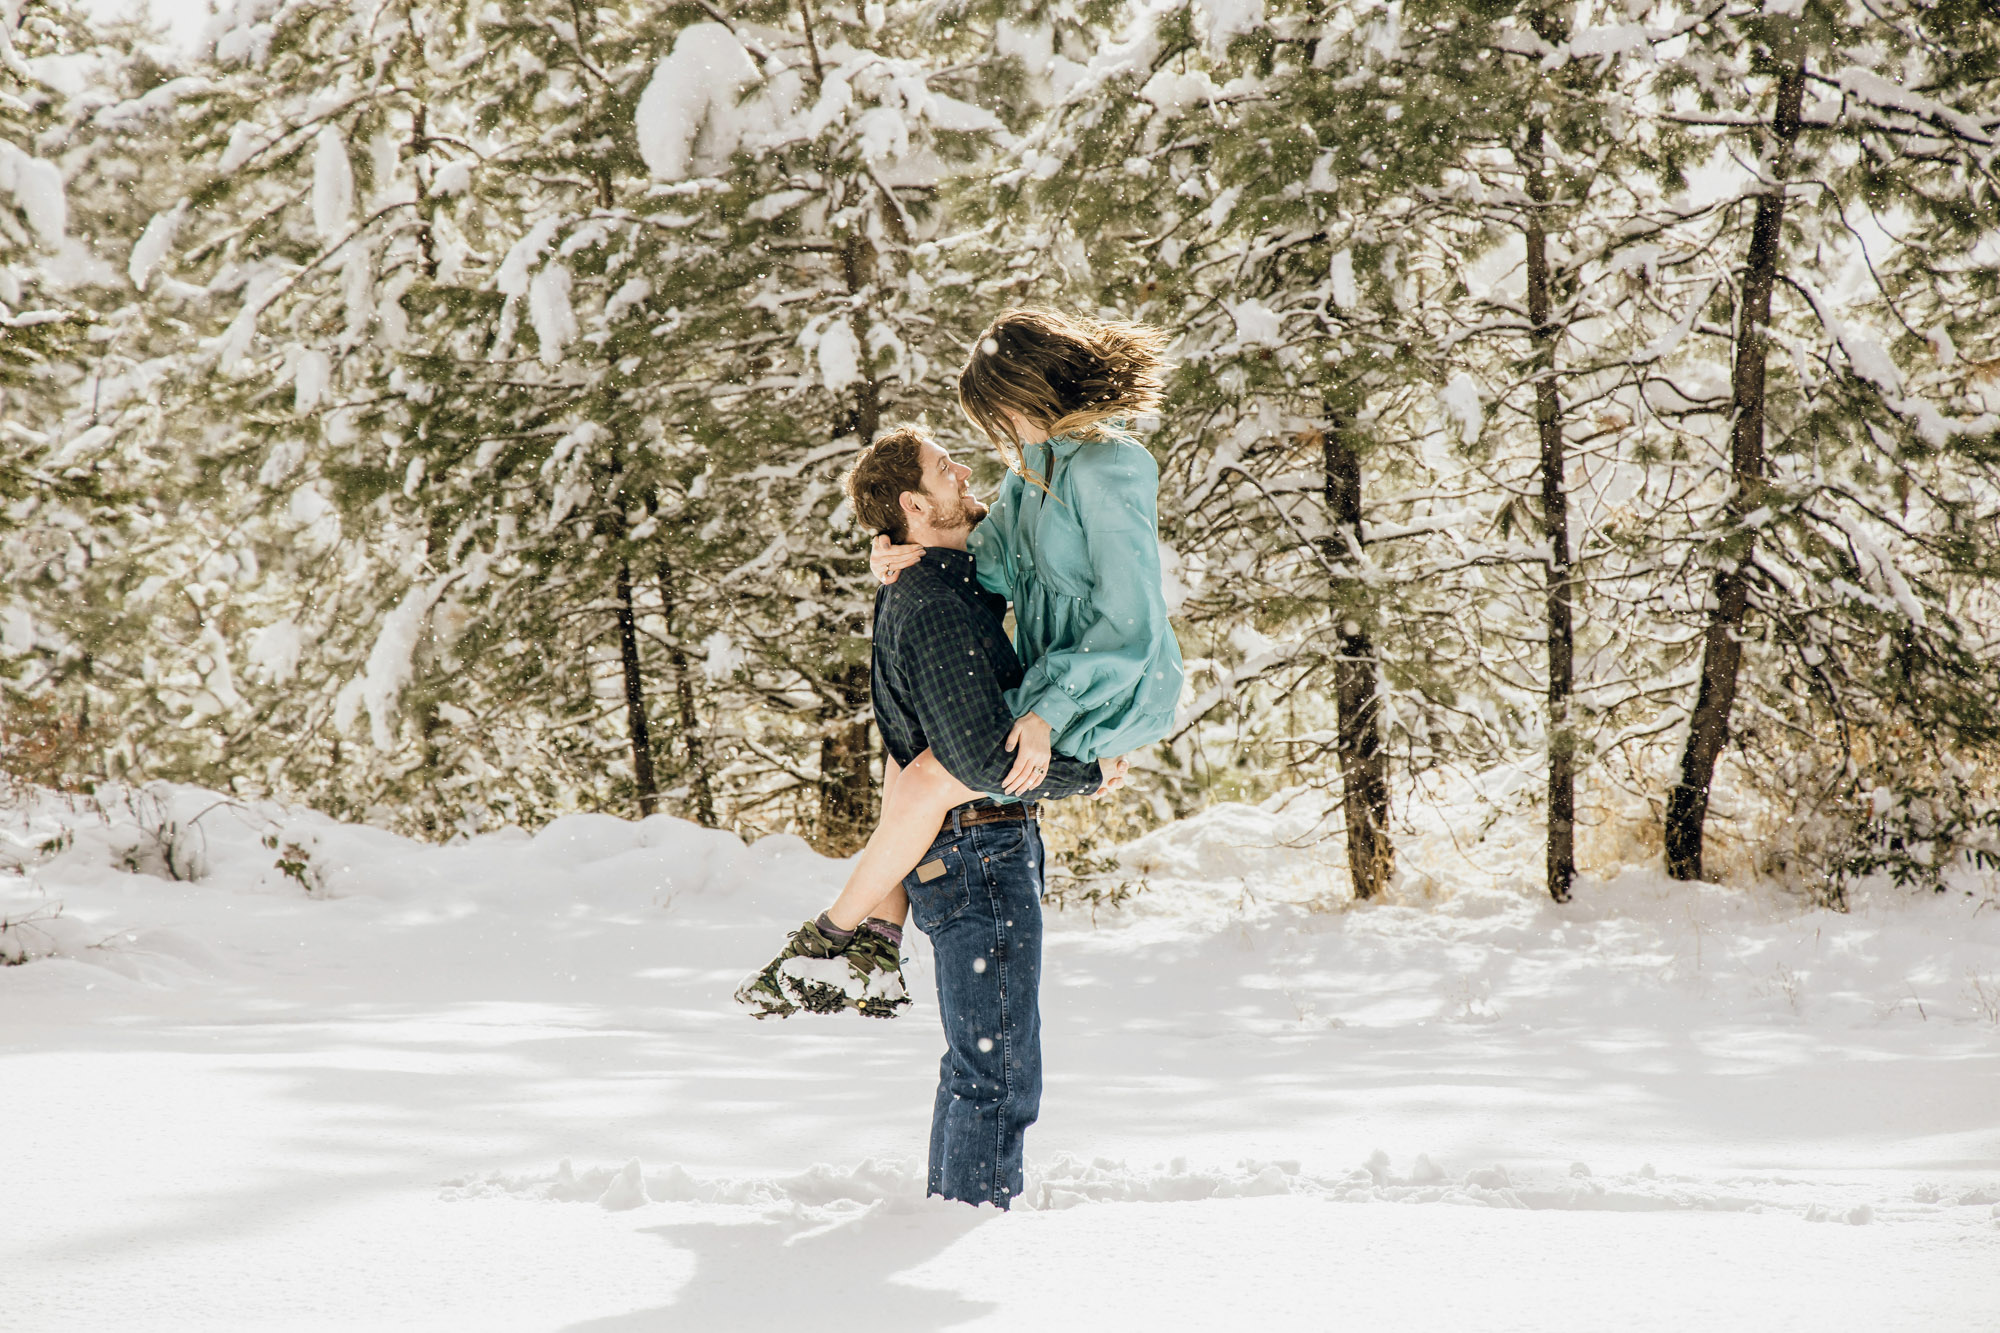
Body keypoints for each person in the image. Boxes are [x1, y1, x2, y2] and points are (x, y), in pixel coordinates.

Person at [737, 309, 1186, 1021]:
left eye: (998, 412)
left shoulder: (1110, 467)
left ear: (1029, 392)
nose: (996, 432)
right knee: (907, 751)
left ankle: (832, 935)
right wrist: (900, 553)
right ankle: (878, 939)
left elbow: (1127, 624)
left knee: (925, 781)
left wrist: (1050, 714)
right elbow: (988, 564)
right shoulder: (1031, 469)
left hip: (1113, 684)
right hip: (1051, 681)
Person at [738, 425, 1123, 1207]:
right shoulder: (935, 601)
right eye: (945, 468)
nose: (962, 470)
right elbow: (982, 760)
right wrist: (1088, 775)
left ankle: (952, 1216)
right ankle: (967, 1229)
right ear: (917, 503)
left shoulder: (939, 580)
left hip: (966, 856)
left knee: (982, 1064)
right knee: (999, 1073)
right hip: (977, 856)